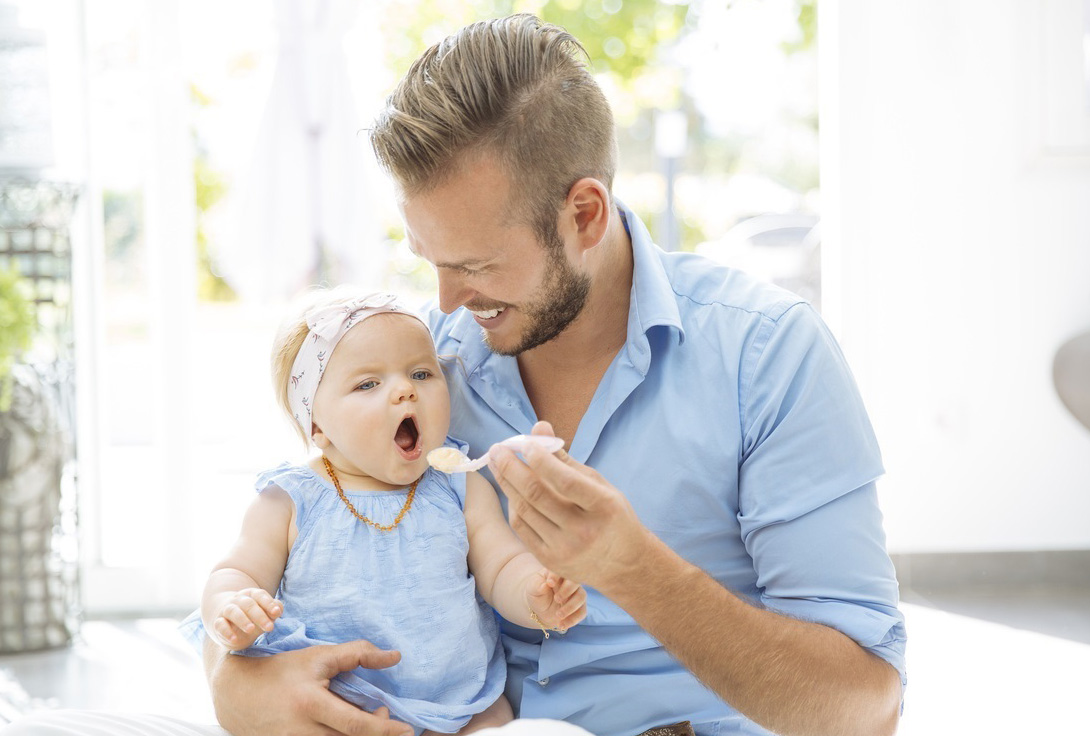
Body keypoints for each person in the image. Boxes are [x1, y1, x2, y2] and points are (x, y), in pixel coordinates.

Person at [3, 13, 906, 736]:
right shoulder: (427, 366)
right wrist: (238, 686)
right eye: (427, 259)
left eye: (472, 265)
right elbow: (277, 550)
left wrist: (632, 570)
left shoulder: (770, 357)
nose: (443, 301)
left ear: (584, 214)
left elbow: (864, 710)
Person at [186, 287, 586, 736]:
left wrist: (535, 595)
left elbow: (502, 565)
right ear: (316, 425)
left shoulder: (459, 484)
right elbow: (235, 570)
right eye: (367, 384)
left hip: (462, 706)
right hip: (339, 707)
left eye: (420, 373)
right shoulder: (291, 499)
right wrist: (232, 606)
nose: (403, 392)